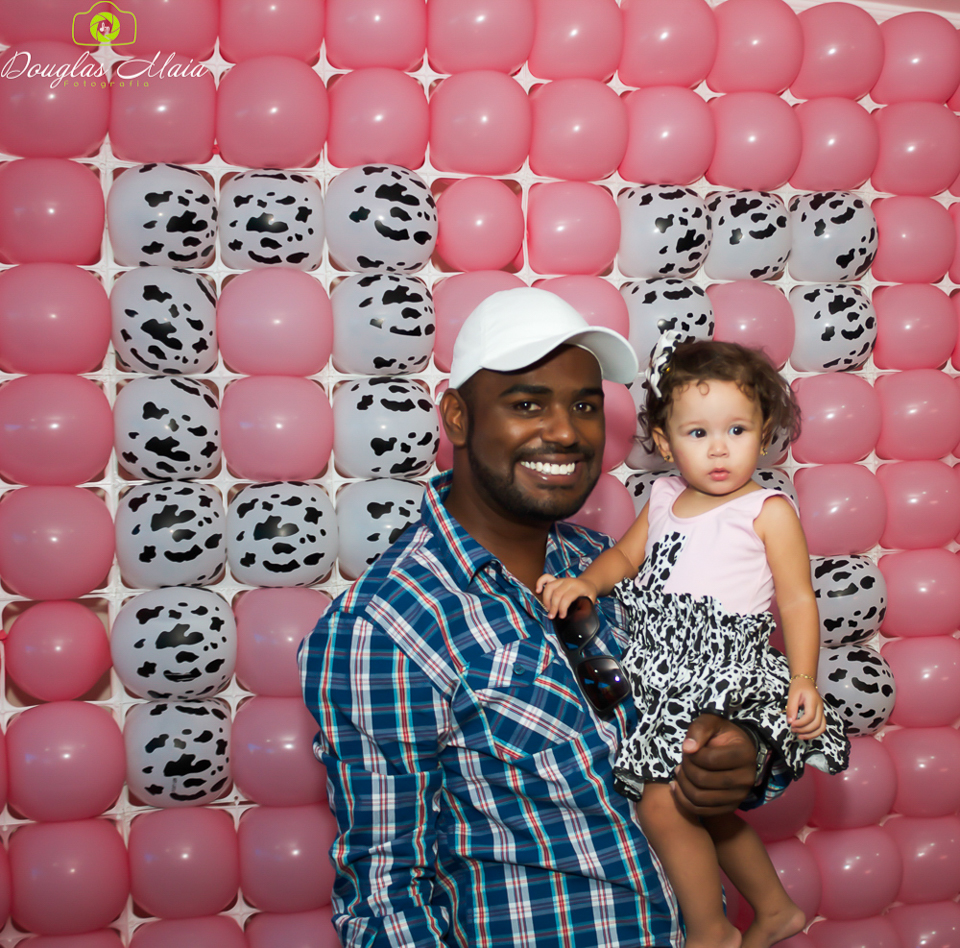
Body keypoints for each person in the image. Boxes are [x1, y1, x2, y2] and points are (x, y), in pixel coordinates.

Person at [301, 288, 790, 948]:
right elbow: (389, 892)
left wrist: (744, 752)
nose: (565, 431)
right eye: (527, 403)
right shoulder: (387, 628)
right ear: (457, 418)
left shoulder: (614, 567)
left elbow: (742, 728)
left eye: (585, 406)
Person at [539, 334, 849, 948]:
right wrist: (583, 584)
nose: (719, 450)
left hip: (726, 673)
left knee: (662, 804)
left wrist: (804, 680)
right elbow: (625, 558)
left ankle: (711, 932)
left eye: (737, 430)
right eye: (697, 433)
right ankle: (775, 909)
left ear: (764, 433)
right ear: (663, 440)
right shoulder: (661, 497)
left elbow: (796, 601)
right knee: (702, 805)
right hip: (664, 672)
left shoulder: (766, 510)